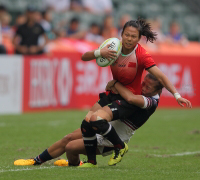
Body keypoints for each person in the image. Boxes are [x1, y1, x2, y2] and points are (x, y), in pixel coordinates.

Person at [77, 18, 192, 168]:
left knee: (96, 120)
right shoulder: (113, 47)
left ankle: (120, 146)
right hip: (113, 91)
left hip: (127, 98)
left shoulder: (142, 55)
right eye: (127, 35)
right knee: (86, 123)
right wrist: (100, 52)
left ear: (139, 39)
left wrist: (177, 95)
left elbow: (161, 76)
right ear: (122, 34)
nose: (129, 39)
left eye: (133, 36)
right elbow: (84, 57)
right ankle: (91, 162)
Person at [14, 73, 172, 167]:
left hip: (113, 139)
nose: (143, 87)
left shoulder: (151, 102)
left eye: (148, 87)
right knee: (68, 137)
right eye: (143, 83)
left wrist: (116, 84)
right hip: (104, 125)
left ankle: (77, 164)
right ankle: (35, 161)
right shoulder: (144, 91)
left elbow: (130, 98)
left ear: (158, 91)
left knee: (70, 147)